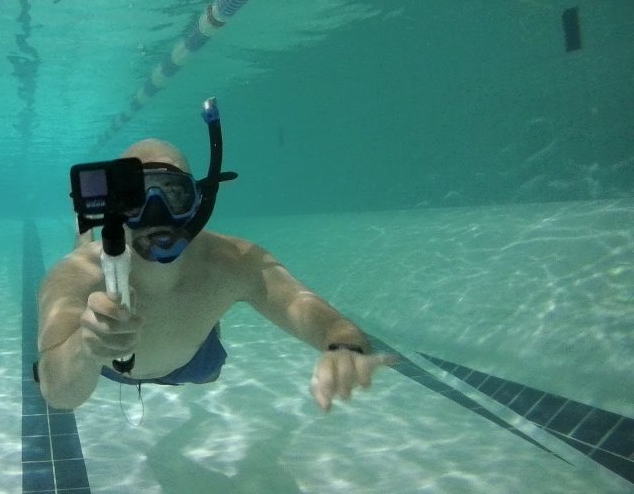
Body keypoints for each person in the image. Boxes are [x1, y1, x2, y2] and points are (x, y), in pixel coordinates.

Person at [36, 135, 396, 412]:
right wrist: (86, 348)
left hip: (195, 360)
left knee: (211, 374)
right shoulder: (76, 274)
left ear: (197, 201)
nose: (156, 212)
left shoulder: (234, 261)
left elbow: (319, 315)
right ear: (115, 206)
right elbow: (59, 395)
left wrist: (345, 348)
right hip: (110, 363)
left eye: (174, 194)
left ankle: (208, 320)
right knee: (80, 295)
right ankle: (83, 230)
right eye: (138, 198)